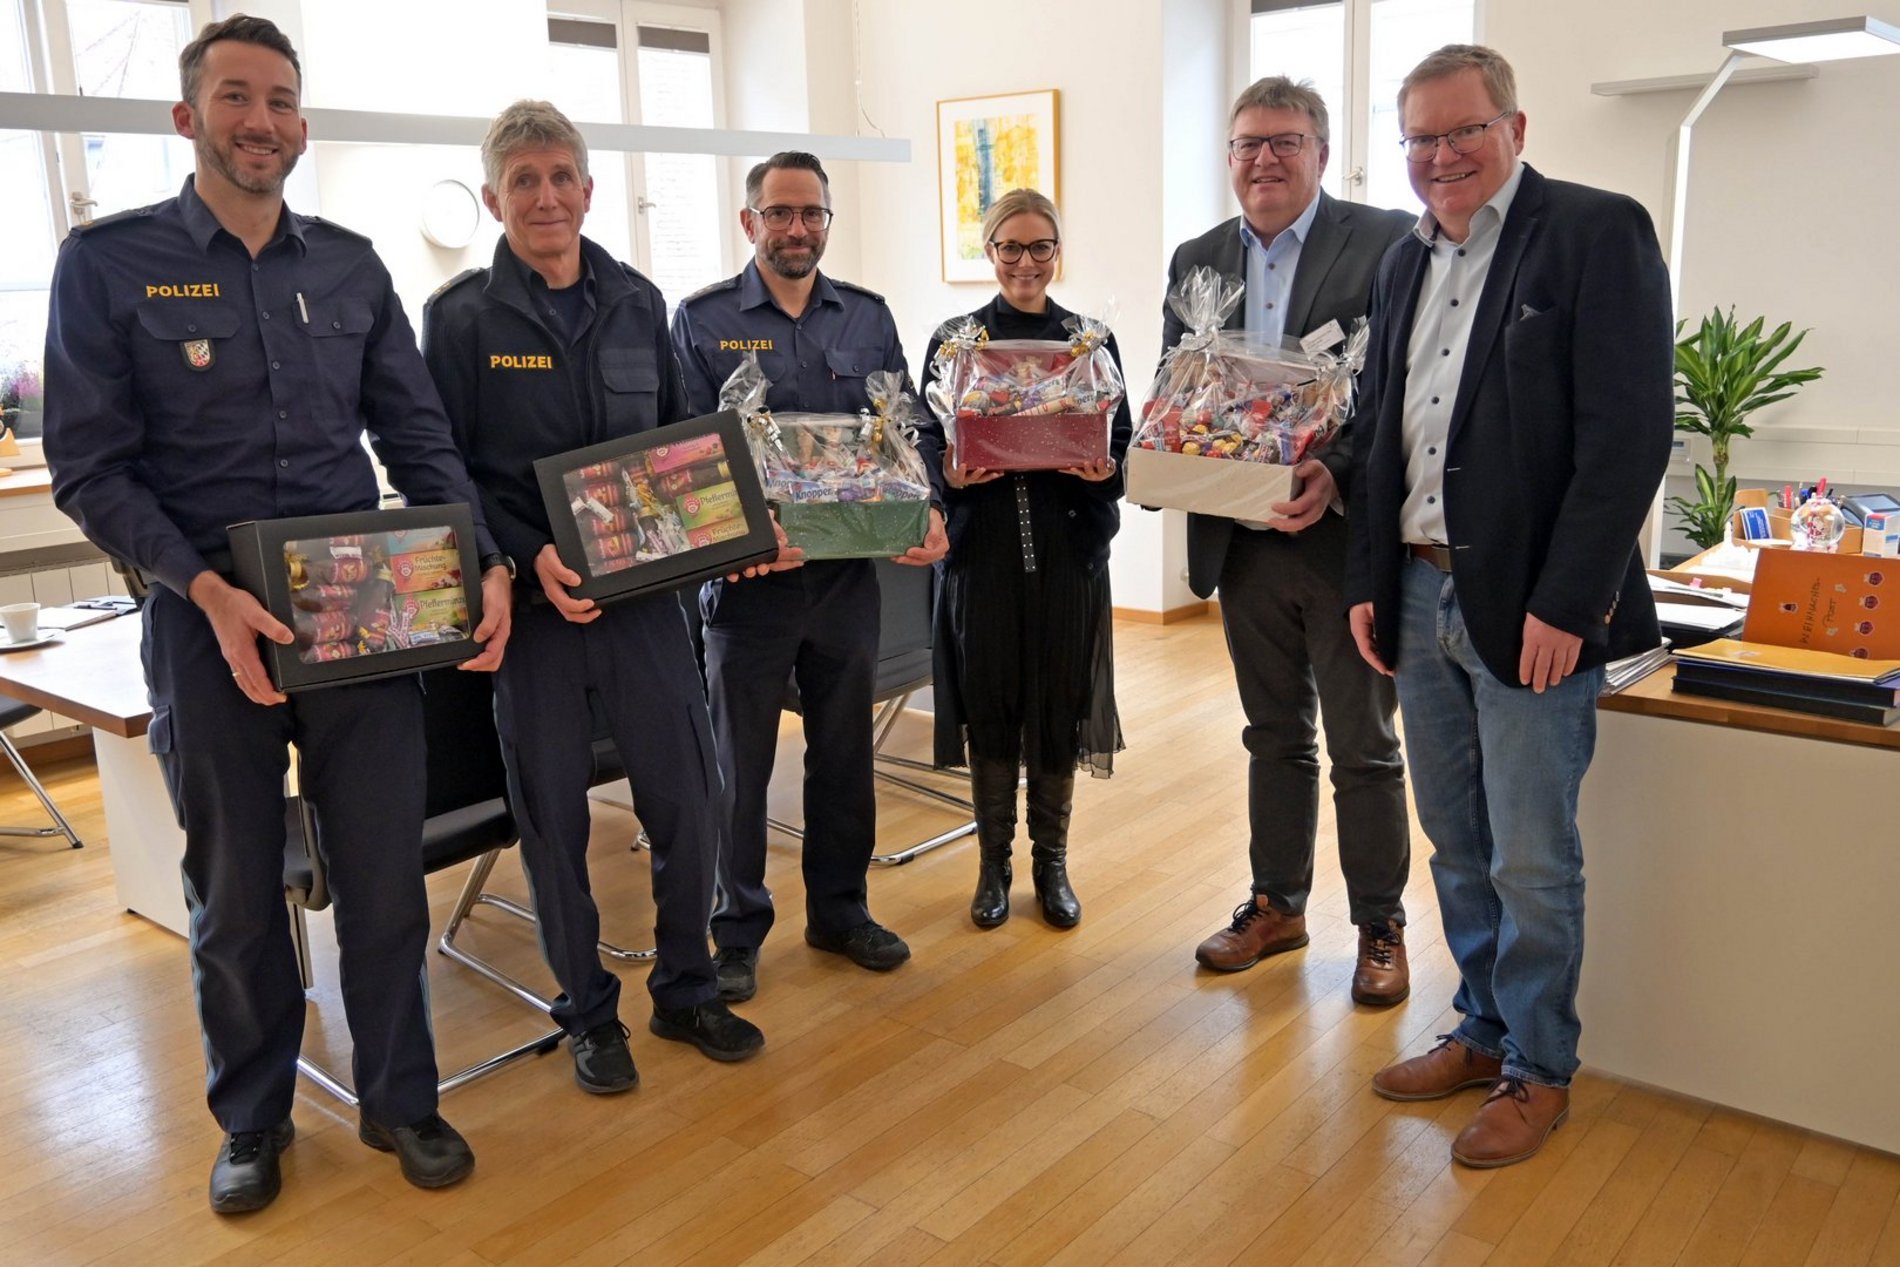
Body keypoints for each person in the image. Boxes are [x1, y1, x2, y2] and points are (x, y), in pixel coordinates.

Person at [42, 15, 511, 1213]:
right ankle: (251, 1116)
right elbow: (90, 468)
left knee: (381, 877)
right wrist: (202, 589)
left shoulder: (350, 265)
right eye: (237, 97)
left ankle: (402, 1097)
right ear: (186, 116)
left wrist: (485, 562)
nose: (263, 121)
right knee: (238, 887)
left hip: (360, 618)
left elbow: (418, 439)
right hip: (205, 627)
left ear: (302, 124)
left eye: (283, 100)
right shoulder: (108, 264)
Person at [1344, 45, 1673, 1167]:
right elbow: (1380, 431)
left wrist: (1569, 603)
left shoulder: (1594, 232)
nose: (1442, 158)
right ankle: (1482, 1029)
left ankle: (1540, 1066)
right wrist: (1366, 582)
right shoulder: (1400, 263)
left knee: (1533, 855)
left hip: (1535, 606)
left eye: (1462, 132)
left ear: (1515, 128)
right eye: (1421, 140)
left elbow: (1626, 436)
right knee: (1457, 843)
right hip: (1418, 587)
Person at [422, 102, 764, 1096]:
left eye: (560, 175)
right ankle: (585, 1009)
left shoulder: (637, 302)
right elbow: (441, 471)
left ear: (588, 188)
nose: (545, 196)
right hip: (531, 614)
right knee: (553, 824)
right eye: (522, 180)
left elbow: (675, 445)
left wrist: (732, 519)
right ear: (494, 198)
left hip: (644, 608)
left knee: (686, 800)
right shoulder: (459, 319)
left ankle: (687, 984)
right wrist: (526, 557)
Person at [671, 152, 947, 1000]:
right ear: (748, 221)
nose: (797, 229)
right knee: (739, 763)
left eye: (813, 213)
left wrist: (925, 504)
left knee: (842, 751)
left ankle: (840, 907)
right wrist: (746, 539)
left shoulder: (865, 318)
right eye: (780, 213)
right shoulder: (702, 319)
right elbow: (686, 454)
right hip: (749, 583)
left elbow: (909, 429)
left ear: (829, 220)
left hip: (845, 580)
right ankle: (738, 927)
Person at [1168, 78, 1416, 1007]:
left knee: (1363, 743)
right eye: (1246, 144)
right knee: (1273, 734)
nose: (1264, 159)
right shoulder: (1197, 258)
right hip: (1243, 543)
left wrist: (1338, 471)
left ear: (1320, 149)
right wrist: (1173, 466)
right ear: (1228, 158)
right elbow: (1176, 388)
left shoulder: (1386, 239)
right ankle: (1277, 902)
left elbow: (1397, 386)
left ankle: (1381, 924)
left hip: (1342, 539)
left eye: (1285, 141)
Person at [913, 189, 1130, 930]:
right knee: (993, 704)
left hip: (1069, 557)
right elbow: (923, 444)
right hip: (983, 560)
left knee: (1059, 703)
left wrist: (1106, 471)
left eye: (1041, 247)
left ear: (1058, 252)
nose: (1026, 261)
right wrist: (948, 475)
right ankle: (992, 865)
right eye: (1011, 246)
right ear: (990, 252)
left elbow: (1121, 443)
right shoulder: (955, 341)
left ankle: (1052, 863)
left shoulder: (1089, 343)